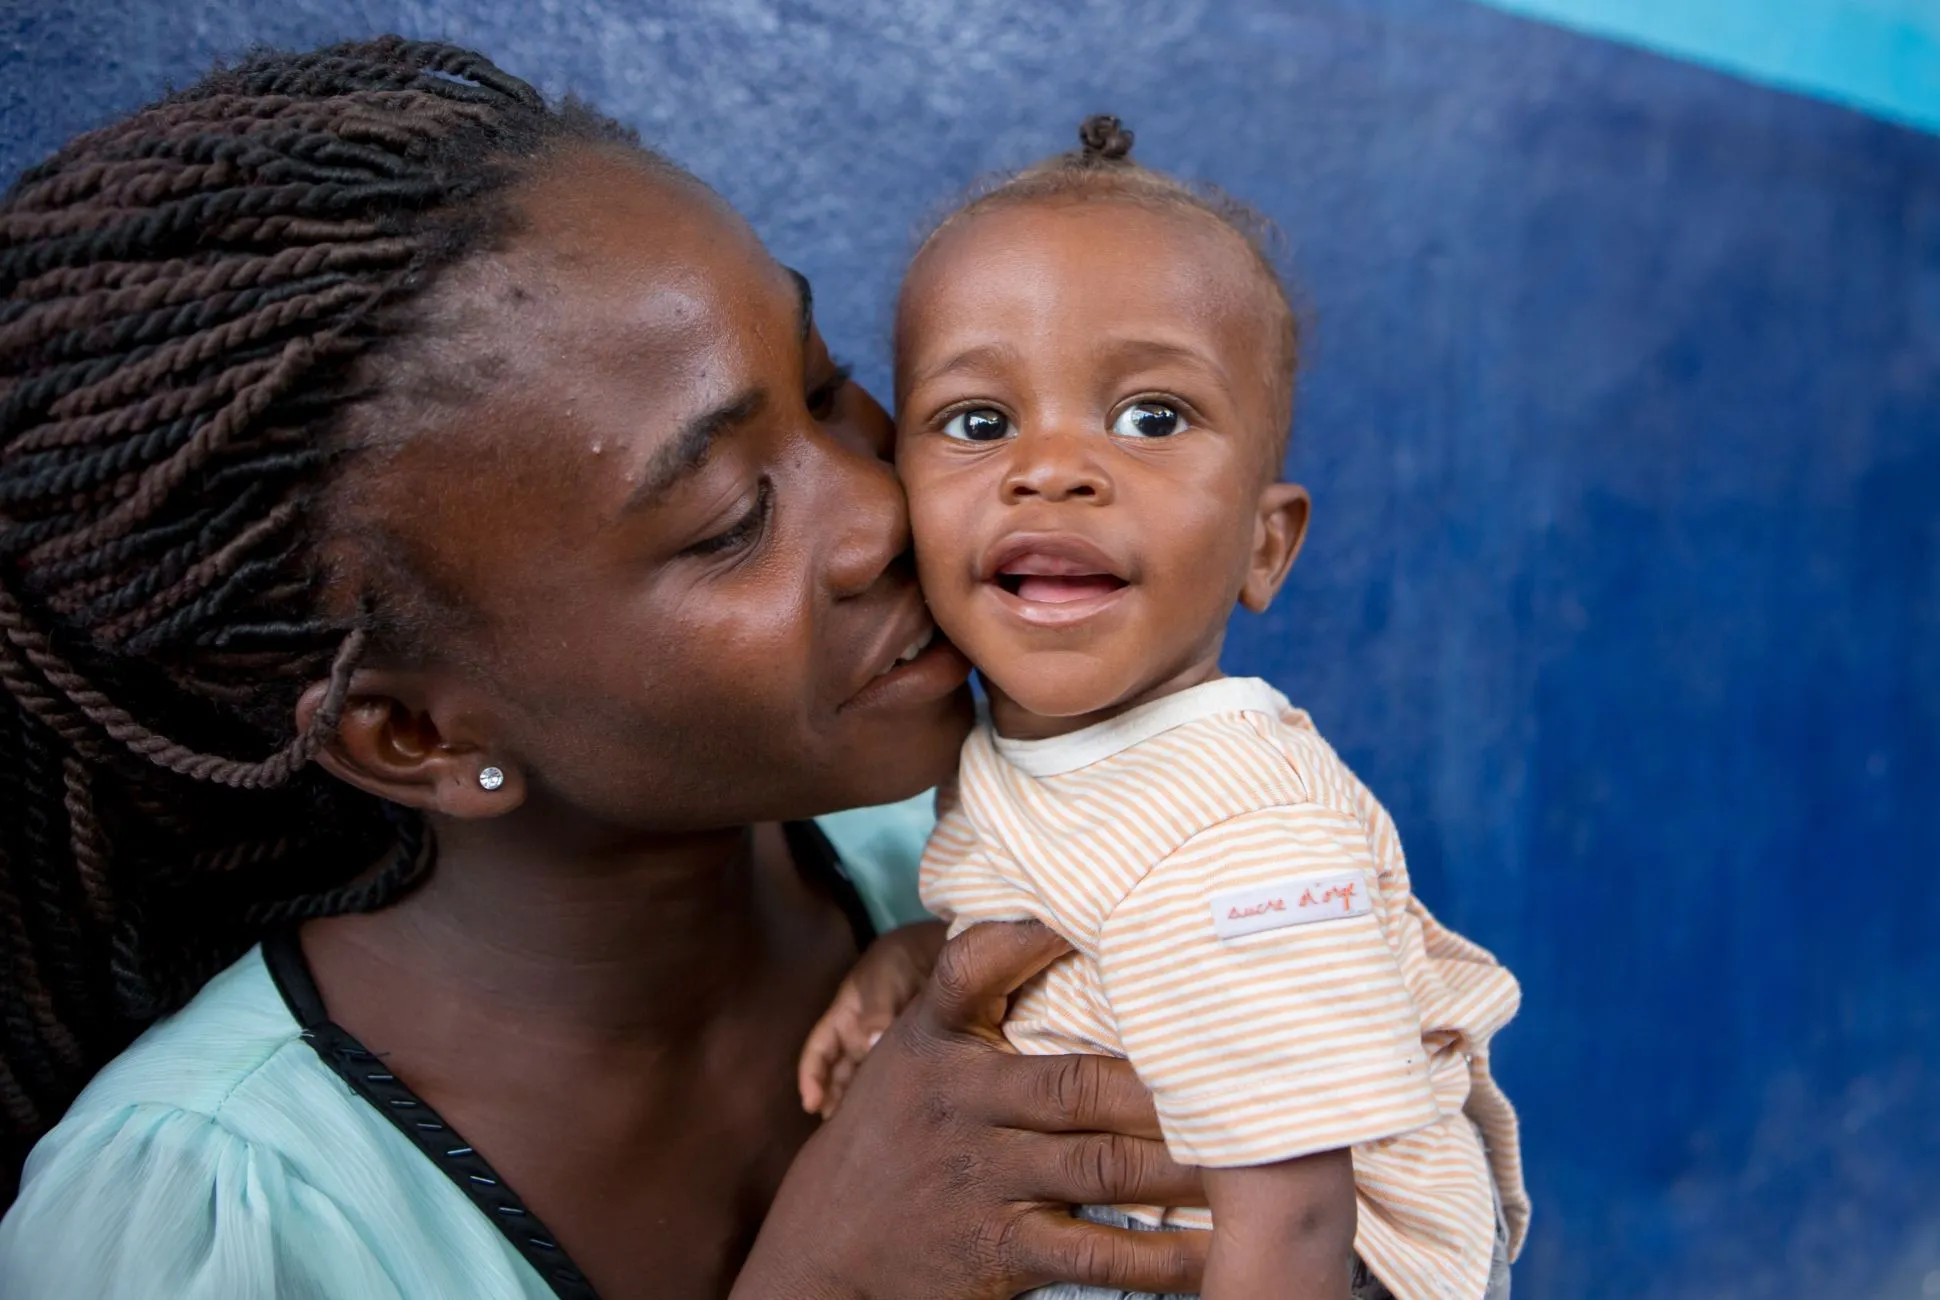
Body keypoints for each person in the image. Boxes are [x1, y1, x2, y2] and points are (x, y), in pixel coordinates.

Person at [0, 42, 1214, 1299]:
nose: (879, 513)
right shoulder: (224, 1217)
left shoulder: (989, 877)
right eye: (729, 520)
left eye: (820, 384)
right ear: (411, 731)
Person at [797, 118, 1528, 1300]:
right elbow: (1094, 926)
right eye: (978, 423)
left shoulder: (1237, 834)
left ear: (1263, 541)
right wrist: (914, 957)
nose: (1051, 468)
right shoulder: (1044, 757)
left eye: (1149, 417)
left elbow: (1291, 1212)